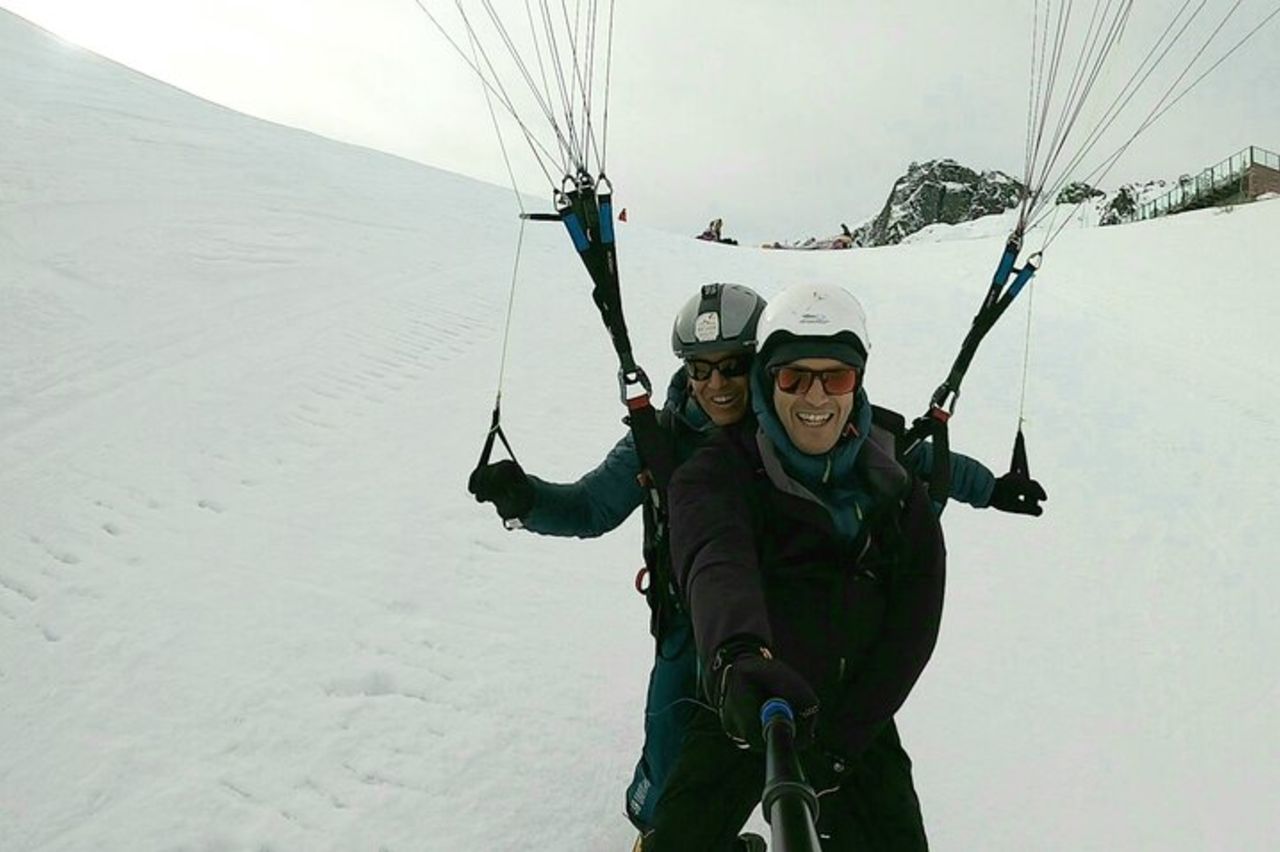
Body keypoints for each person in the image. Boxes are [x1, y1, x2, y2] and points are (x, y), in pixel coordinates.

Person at [468, 283, 1044, 849]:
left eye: (732, 367)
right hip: (697, 625)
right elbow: (595, 507)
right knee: (671, 763)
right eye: (700, 370)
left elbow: (912, 460)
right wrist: (527, 500)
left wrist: (993, 488)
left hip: (803, 636)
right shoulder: (672, 438)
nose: (717, 385)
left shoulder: (812, 419)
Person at [650, 282, 1046, 851]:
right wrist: (736, 656)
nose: (816, 395)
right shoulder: (718, 472)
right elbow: (716, 561)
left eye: (835, 377)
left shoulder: (895, 486)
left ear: (857, 381)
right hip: (747, 698)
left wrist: (840, 742)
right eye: (793, 377)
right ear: (768, 381)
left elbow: (913, 621)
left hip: (852, 719)